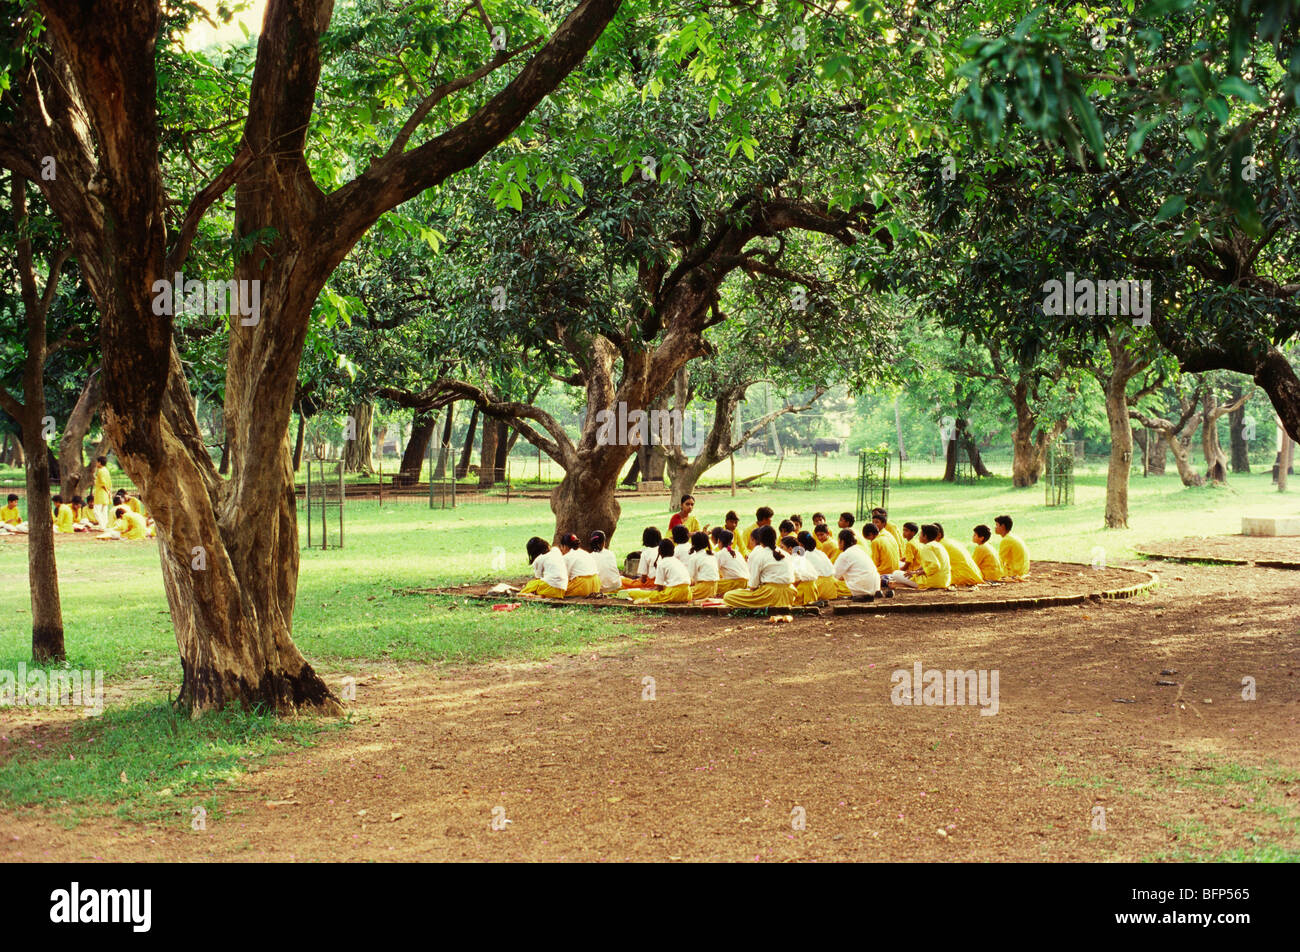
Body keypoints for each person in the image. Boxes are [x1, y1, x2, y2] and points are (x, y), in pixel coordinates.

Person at [722, 525, 795, 608]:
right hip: (789, 594)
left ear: (760, 540)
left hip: (770, 594)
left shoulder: (759, 555)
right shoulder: (785, 554)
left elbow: (753, 586)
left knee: (728, 596)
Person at [884, 524, 951, 590]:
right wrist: (916, 571)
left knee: (896, 573)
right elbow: (928, 564)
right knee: (902, 573)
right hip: (944, 581)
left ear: (925, 536)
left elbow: (935, 566)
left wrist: (915, 573)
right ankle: (901, 584)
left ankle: (900, 584)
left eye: (920, 534)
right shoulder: (938, 545)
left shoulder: (927, 547)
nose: (919, 536)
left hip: (933, 582)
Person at [627, 539, 692, 603]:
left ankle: (632, 593)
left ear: (659, 551)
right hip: (688, 593)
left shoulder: (662, 563)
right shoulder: (677, 561)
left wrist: (648, 590)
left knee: (635, 593)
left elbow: (659, 588)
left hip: (675, 594)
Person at [832, 528, 881, 598]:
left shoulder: (845, 555)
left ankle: (861, 593)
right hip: (876, 587)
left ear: (842, 542)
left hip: (860, 589)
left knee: (830, 584)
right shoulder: (860, 550)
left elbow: (834, 575)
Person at [935, 522, 983, 587]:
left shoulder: (940, 545)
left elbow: (935, 566)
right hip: (975, 574)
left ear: (939, 535)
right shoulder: (948, 541)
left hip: (964, 576)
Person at [798, 531, 839, 601]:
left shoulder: (805, 555)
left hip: (820, 586)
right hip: (832, 589)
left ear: (800, 544)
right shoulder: (820, 552)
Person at [782, 534, 822, 605]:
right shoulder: (800, 557)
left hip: (802, 590)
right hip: (812, 589)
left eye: (782, 547)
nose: (780, 550)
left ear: (790, 549)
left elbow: (797, 578)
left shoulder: (792, 560)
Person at [558, 533, 601, 597]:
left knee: (556, 591)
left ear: (565, 546)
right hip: (596, 584)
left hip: (582, 585)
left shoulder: (566, 557)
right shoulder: (584, 553)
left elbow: (564, 578)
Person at [711, 527, 748, 594]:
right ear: (732, 543)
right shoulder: (737, 552)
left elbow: (713, 572)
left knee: (710, 585)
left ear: (719, 541)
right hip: (746, 583)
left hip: (735, 583)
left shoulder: (720, 554)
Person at [687, 531, 720, 600]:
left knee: (683, 592)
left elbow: (690, 579)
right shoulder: (712, 554)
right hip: (715, 587)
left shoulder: (694, 558)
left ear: (693, 543)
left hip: (703, 588)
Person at [995, 515, 1030, 579]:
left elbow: (999, 561)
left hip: (1015, 572)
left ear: (1002, 526)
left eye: (997, 525)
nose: (995, 527)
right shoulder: (1012, 537)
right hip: (1023, 570)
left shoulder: (1006, 540)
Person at [91, 456, 112, 528]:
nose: (96, 464)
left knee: (96, 511)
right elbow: (107, 482)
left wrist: (106, 490)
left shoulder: (100, 471)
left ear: (99, 463)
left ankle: (102, 525)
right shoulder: (106, 470)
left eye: (97, 462)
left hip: (100, 493)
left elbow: (103, 483)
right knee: (104, 511)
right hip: (105, 494)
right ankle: (104, 525)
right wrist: (108, 492)